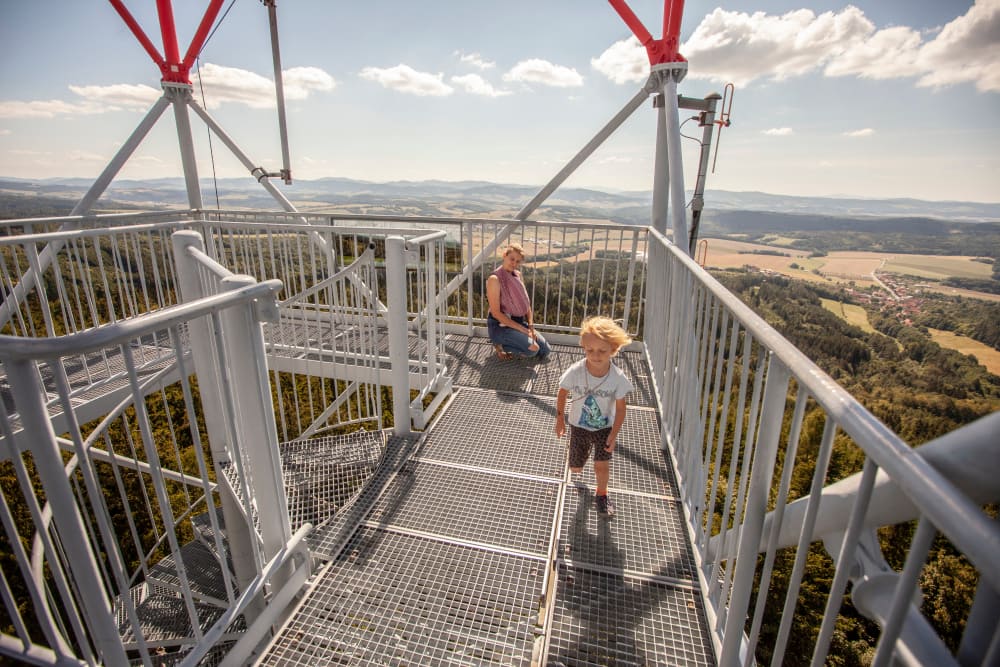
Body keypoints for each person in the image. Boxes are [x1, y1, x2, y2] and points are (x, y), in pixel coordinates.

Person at [554, 316, 633, 516]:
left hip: (604, 428)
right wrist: (560, 419)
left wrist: (614, 435)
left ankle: (602, 494)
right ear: (583, 347)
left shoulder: (617, 378)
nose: (595, 356)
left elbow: (621, 409)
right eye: (589, 350)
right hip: (578, 427)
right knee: (576, 469)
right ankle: (580, 458)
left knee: (601, 466)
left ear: (614, 350)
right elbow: (562, 392)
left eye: (602, 351)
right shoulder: (576, 371)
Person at [486, 243, 551, 360]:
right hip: (501, 326)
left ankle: (517, 339)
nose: (514, 264)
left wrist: (530, 327)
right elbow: (496, 313)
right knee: (532, 351)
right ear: (504, 255)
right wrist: (525, 331)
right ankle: (500, 344)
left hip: (518, 322)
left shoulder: (518, 275)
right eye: (512, 259)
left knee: (545, 350)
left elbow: (526, 304)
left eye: (518, 261)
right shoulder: (494, 279)